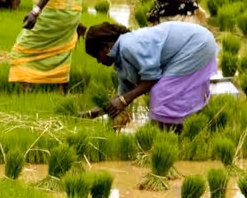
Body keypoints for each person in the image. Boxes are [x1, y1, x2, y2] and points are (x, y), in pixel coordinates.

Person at [79, 21, 218, 132]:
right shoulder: (119, 62)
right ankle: (175, 135)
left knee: (161, 93)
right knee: (166, 95)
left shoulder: (129, 46)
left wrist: (124, 99)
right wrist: (96, 113)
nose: (98, 61)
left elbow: (151, 79)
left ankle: (169, 138)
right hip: (192, 45)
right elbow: (123, 95)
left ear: (106, 47)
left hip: (197, 44)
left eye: (97, 56)